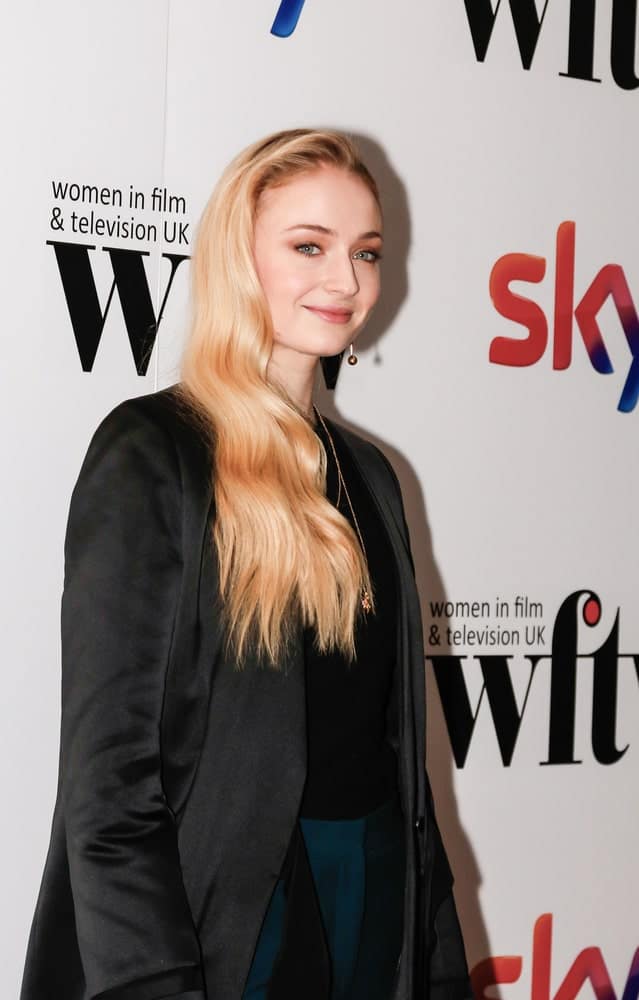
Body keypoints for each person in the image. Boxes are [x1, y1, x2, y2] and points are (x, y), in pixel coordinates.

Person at [20, 128, 471, 1000]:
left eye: (365, 253)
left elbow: (397, 760)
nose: (345, 281)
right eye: (309, 246)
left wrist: (438, 962)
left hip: (370, 905)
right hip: (222, 924)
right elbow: (109, 786)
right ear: (237, 258)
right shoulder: (156, 452)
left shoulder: (371, 475)